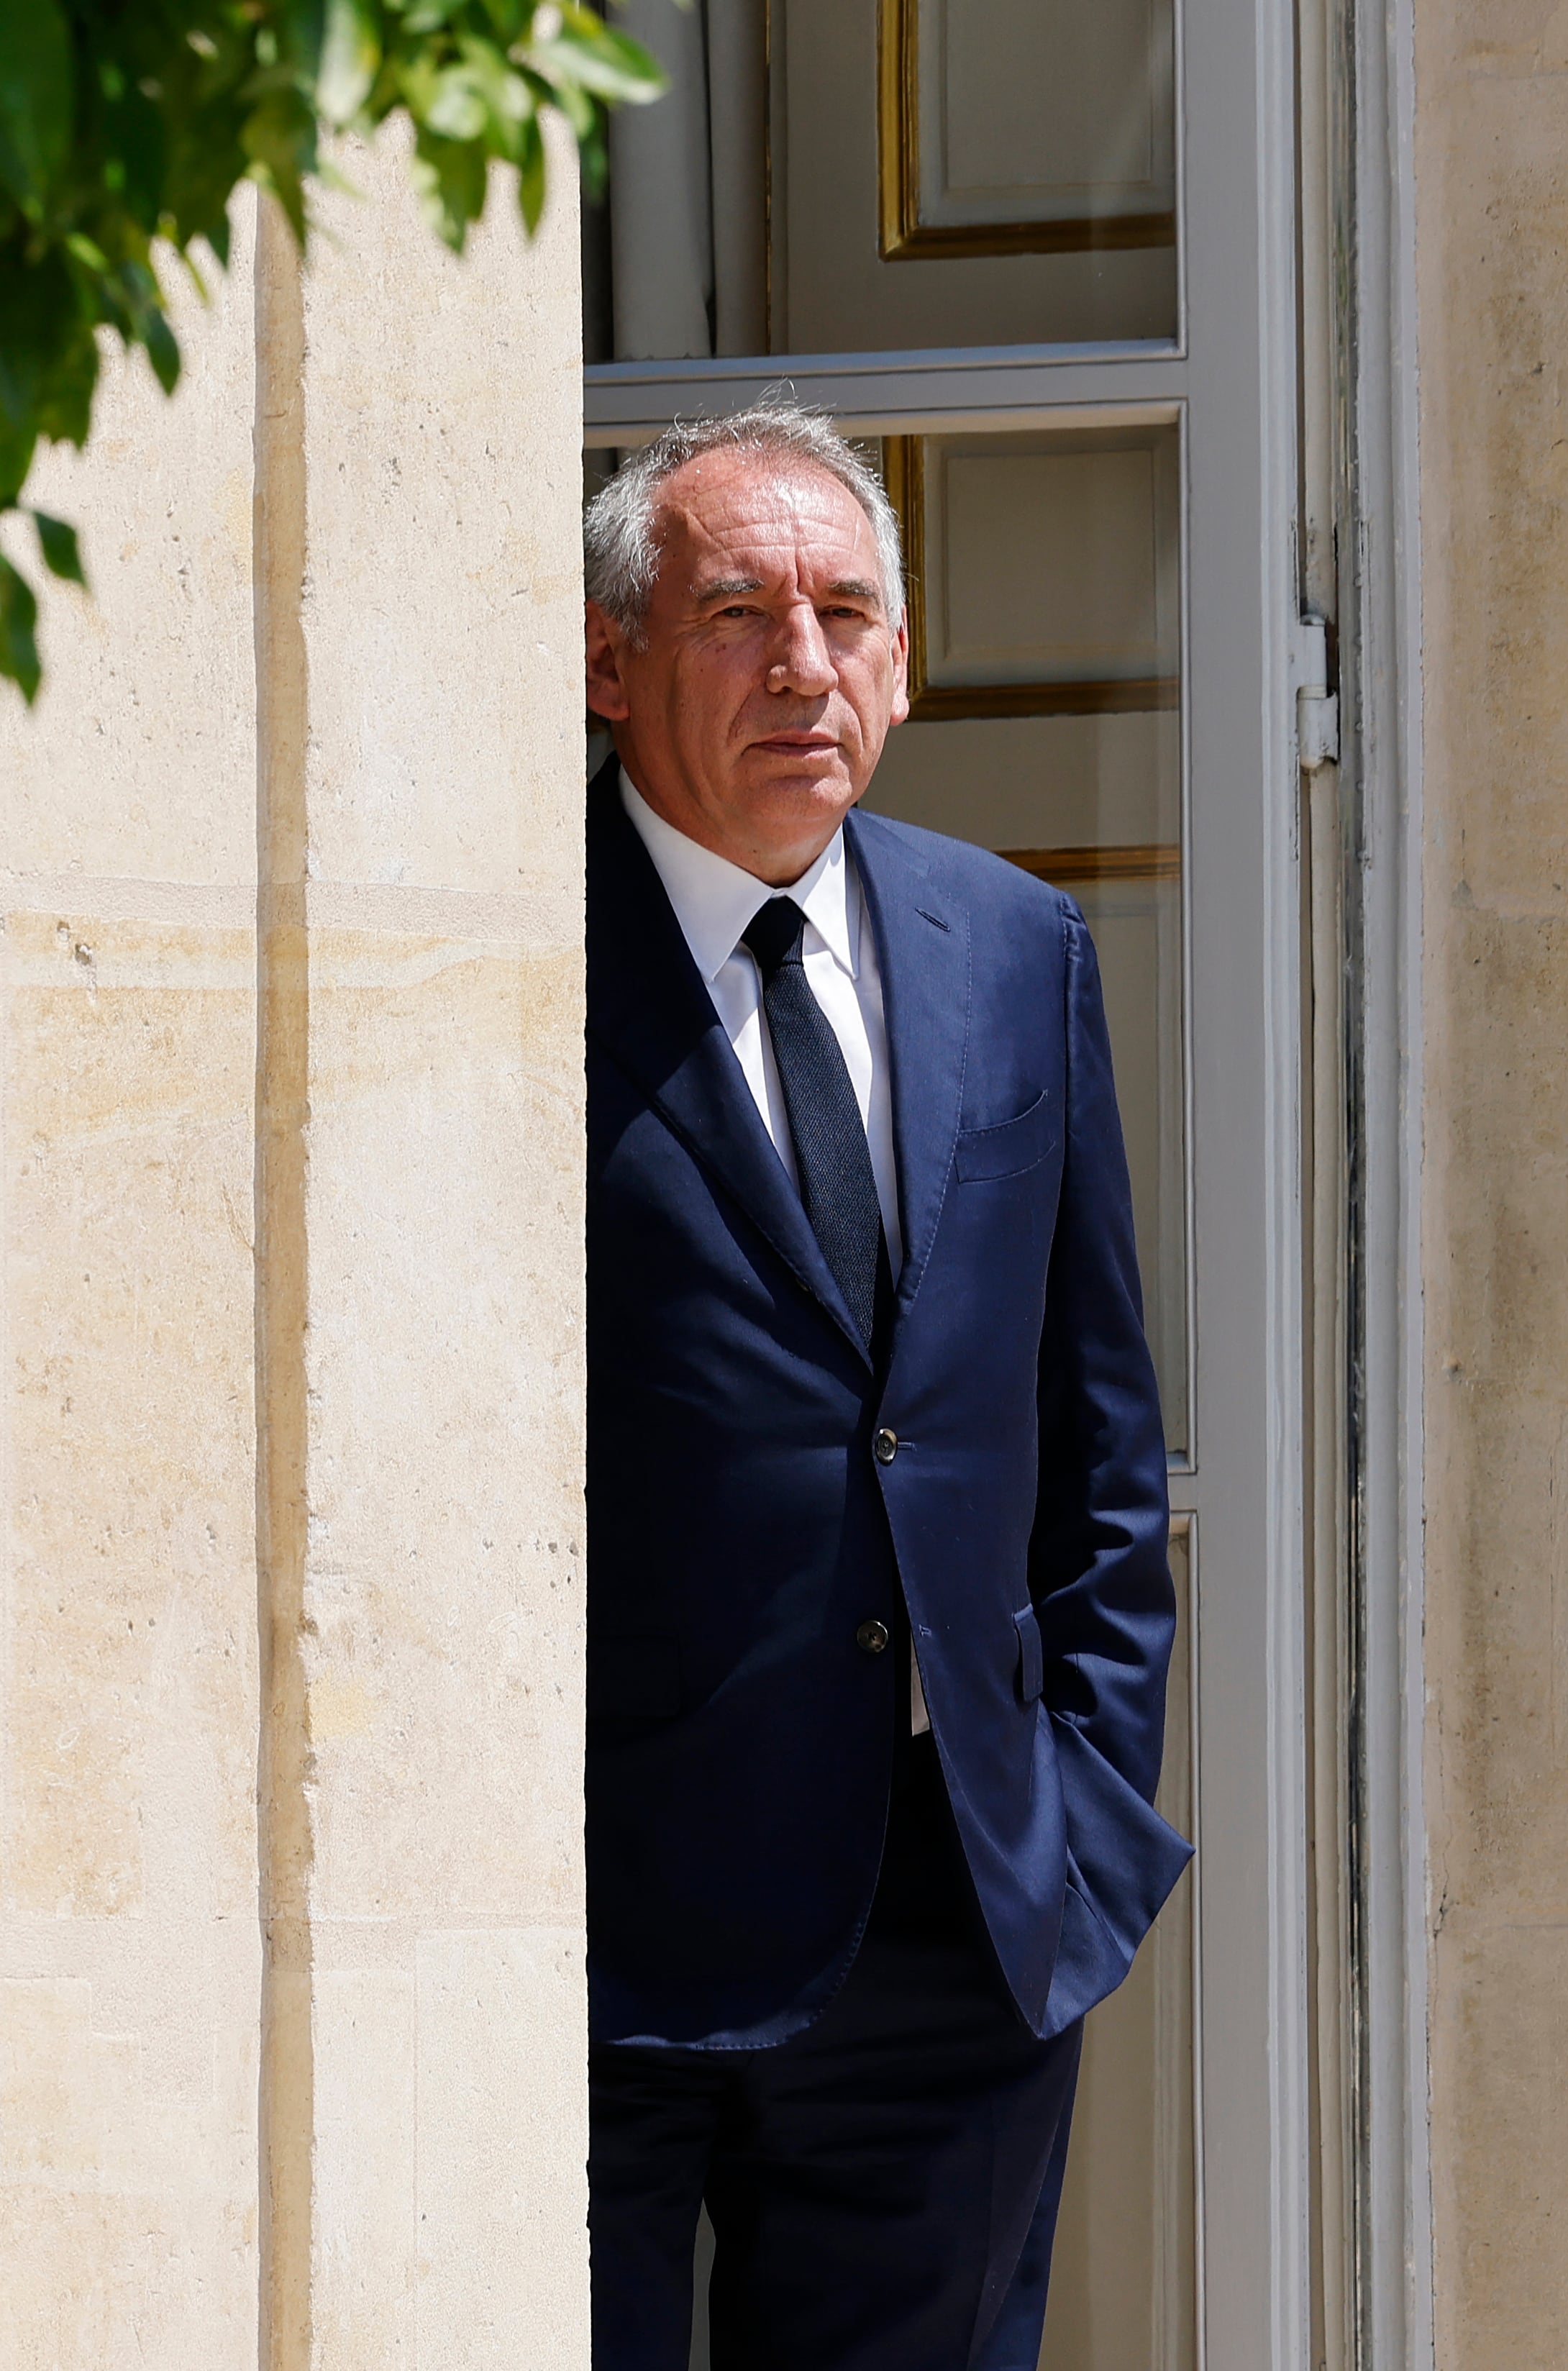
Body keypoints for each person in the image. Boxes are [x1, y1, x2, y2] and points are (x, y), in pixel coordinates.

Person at [579, 401, 1188, 2371]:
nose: (802, 664)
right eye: (737, 613)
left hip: (955, 1924)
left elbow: (1095, 1433)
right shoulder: (491, 959)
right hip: (593, 1930)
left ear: (905, 669)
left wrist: (1077, 1815)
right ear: (610, 665)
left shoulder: (1011, 947)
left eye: (847, 613)